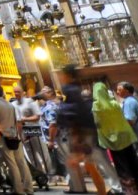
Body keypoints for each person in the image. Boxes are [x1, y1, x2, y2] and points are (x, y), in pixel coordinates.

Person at [51, 66, 107, 195]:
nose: (60, 77)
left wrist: (77, 141)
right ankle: (101, 192)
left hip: (80, 131)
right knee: (90, 166)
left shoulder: (71, 90)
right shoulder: (74, 89)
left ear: (68, 75)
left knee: (85, 164)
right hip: (82, 130)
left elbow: (74, 112)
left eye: (62, 75)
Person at [94, 82, 138, 195]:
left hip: (113, 139)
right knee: (133, 162)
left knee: (122, 166)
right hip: (126, 136)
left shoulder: (96, 106)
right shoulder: (114, 103)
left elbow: (98, 124)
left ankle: (130, 191)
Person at [0, 83, 34, 195]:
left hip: (3, 136)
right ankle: (29, 189)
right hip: (15, 136)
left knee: (12, 164)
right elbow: (17, 122)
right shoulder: (10, 105)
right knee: (22, 163)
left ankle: (19, 190)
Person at [14, 85, 52, 181]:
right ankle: (40, 175)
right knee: (31, 155)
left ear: (23, 93)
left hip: (33, 128)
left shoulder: (29, 102)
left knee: (42, 153)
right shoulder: (13, 104)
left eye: (18, 92)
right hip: (23, 131)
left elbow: (37, 116)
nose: (16, 94)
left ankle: (51, 174)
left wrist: (24, 119)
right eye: (15, 92)